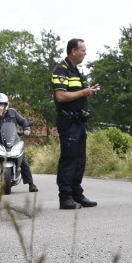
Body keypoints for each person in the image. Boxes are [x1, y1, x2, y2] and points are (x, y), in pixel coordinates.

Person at [52, 38, 99, 210]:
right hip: (68, 121)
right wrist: (84, 93)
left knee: (80, 160)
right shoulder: (61, 70)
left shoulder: (75, 71)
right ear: (73, 51)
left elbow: (76, 93)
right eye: (83, 50)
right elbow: (61, 96)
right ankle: (65, 197)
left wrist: (88, 92)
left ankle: (76, 194)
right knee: (69, 159)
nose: (85, 53)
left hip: (79, 121)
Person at [0, 92, 38, 193]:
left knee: (23, 160)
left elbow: (23, 121)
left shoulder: (13, 112)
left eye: (2, 104)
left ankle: (31, 184)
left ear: (6, 104)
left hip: (14, 140)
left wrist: (27, 129)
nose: (0, 106)